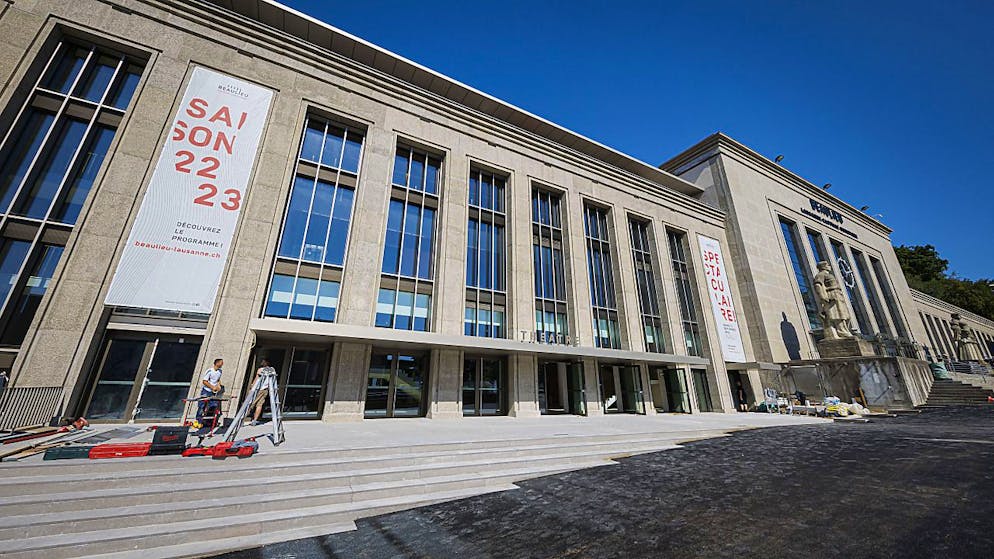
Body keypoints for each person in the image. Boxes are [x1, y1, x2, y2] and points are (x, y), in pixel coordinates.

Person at [246, 359, 276, 426]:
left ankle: (242, 418)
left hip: (259, 389)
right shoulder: (272, 369)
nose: (262, 362)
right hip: (266, 389)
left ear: (266, 362)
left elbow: (256, 379)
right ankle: (255, 420)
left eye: (263, 361)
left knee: (251, 404)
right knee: (259, 405)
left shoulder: (261, 369)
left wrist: (252, 387)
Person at [196, 358, 224, 424]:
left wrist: (219, 385)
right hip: (206, 391)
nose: (222, 364)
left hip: (213, 392)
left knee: (213, 406)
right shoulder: (209, 371)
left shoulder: (220, 371)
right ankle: (198, 421)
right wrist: (212, 387)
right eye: (221, 362)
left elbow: (218, 379)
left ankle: (209, 421)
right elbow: (204, 381)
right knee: (202, 406)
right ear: (217, 363)